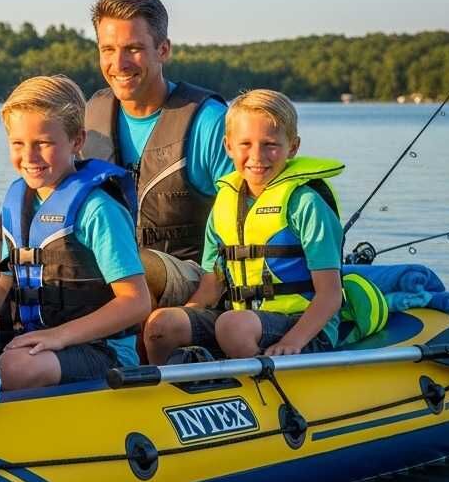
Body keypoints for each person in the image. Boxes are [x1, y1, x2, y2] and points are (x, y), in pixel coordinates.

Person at [0, 0, 233, 315]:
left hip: (190, 272)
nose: (119, 63)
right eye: (108, 49)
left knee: (131, 263)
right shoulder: (92, 114)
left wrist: (201, 304)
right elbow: (64, 198)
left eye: (134, 49)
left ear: (163, 50)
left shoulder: (210, 121)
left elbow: (243, 216)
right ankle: (9, 340)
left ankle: (127, 342)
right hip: (111, 254)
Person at [0, 76, 152, 389]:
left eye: (43, 144)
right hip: (33, 342)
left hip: (101, 351)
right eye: (18, 144)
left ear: (77, 141)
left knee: (15, 366)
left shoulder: (98, 209)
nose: (29, 157)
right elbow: (5, 288)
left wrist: (58, 336)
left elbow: (136, 302)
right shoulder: (18, 202)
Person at [143, 89, 344, 363]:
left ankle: (262, 382)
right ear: (228, 146)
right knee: (161, 325)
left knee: (233, 326)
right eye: (245, 144)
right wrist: (185, 316)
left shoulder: (306, 204)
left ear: (293, 147)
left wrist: (292, 341)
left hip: (304, 328)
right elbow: (212, 284)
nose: (257, 156)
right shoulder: (224, 202)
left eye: (270, 144)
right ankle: (171, 387)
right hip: (241, 322)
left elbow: (330, 296)